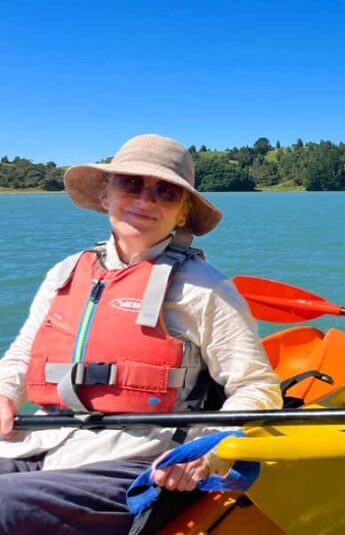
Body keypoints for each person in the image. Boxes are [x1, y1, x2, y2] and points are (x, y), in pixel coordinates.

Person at [0, 134, 282, 534]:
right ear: (105, 196)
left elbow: (258, 388)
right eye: (130, 183)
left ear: (183, 213)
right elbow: (23, 355)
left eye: (165, 192)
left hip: (137, 461)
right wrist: (5, 393)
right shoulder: (65, 273)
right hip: (44, 440)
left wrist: (208, 452)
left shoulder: (204, 289)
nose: (144, 200)